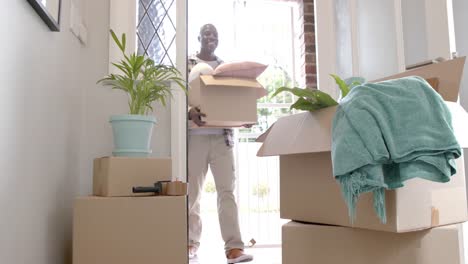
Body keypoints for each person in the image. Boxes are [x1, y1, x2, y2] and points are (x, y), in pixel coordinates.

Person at [187, 24, 253, 263]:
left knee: (227, 192)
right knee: (192, 193)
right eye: (206, 33)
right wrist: (188, 112)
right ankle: (189, 242)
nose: (210, 37)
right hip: (195, 137)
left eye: (214, 33)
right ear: (198, 38)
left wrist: (243, 116)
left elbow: (233, 99)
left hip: (222, 138)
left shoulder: (226, 68)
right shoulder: (188, 64)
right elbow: (180, 96)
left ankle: (234, 247)